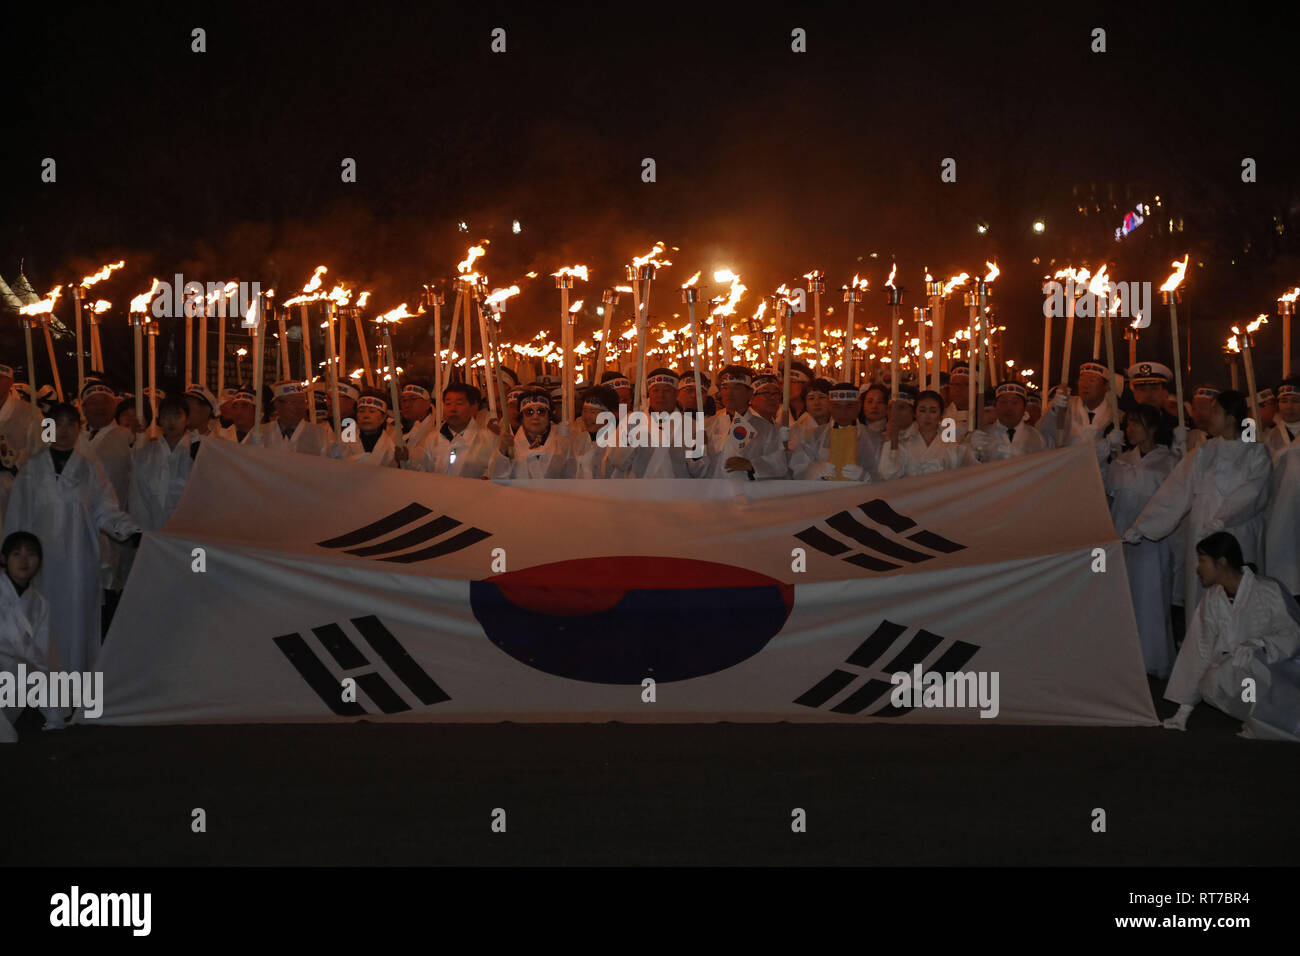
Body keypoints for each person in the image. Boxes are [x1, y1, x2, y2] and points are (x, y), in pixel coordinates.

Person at [4, 403, 140, 672]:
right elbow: (17, 518)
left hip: (80, 564)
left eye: (70, 423)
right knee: (41, 624)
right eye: (57, 423)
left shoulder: (90, 470)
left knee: (77, 626)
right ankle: (43, 693)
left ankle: (76, 690)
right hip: (40, 566)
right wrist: (12, 564)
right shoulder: (32, 470)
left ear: (78, 428)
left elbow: (107, 510)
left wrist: (132, 532)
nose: (63, 430)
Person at [1125, 390, 1272, 615]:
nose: (1208, 416)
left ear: (1231, 417)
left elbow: (1253, 494)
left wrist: (1222, 519)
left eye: (1215, 411)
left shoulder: (1255, 453)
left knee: (1239, 600)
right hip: (1202, 534)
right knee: (1203, 604)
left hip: (1238, 537)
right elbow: (1176, 490)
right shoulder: (1204, 452)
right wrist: (1144, 526)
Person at [1162, 532, 1300, 738]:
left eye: (1202, 561)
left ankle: (1280, 719)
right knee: (1214, 679)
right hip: (1246, 676)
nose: (1198, 568)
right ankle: (1256, 719)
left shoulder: (1268, 590)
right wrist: (1184, 711)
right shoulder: (1212, 599)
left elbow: (1293, 633)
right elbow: (1200, 650)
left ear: (1222, 562)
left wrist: (1260, 644)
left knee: (1249, 665)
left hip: (1280, 674)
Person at [1103, 404, 1179, 678]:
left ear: (1152, 427)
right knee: (1125, 599)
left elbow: (1174, 503)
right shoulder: (1121, 461)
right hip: (1122, 538)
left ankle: (1152, 660)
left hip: (1154, 542)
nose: (1129, 429)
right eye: (1128, 424)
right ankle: (1123, 658)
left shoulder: (1168, 462)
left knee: (1152, 599)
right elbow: (1108, 496)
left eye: (1136, 423)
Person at [0, 531, 61, 738]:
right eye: (17, 553)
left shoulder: (40, 604)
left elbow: (41, 655)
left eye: (32, 554)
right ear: (4, 559)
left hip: (17, 675)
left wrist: (53, 713)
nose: (24, 561)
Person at [607, 368, 705, 478]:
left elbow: (700, 472)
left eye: (667, 390)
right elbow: (617, 462)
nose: (661, 396)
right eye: (656, 390)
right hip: (640, 492)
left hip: (677, 492)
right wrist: (631, 442)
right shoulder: (630, 422)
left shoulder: (692, 426)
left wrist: (698, 451)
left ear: (676, 393)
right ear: (649, 393)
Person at [699, 366, 788, 480]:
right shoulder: (706, 425)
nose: (729, 393)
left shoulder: (766, 429)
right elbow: (695, 470)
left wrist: (752, 466)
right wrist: (698, 451)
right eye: (725, 388)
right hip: (713, 493)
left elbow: (779, 465)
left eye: (736, 387)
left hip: (748, 494)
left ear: (750, 393)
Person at [128, 396, 199, 532]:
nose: (171, 421)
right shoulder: (144, 455)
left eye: (177, 415)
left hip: (189, 532)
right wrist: (141, 532)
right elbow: (138, 500)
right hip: (153, 530)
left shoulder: (197, 454)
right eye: (166, 416)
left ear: (187, 420)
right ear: (159, 420)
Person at [788, 382, 882, 481]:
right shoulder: (813, 436)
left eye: (849, 406)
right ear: (830, 406)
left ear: (858, 406)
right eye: (837, 406)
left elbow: (885, 478)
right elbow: (797, 469)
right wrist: (816, 470)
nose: (843, 412)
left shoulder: (875, 440)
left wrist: (866, 477)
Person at [878, 389, 975, 478]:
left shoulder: (951, 446)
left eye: (933, 411)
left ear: (941, 415)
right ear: (915, 413)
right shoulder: (904, 441)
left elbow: (970, 473)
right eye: (922, 410)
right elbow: (888, 473)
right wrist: (891, 441)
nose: (927, 416)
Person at [1264, 379, 1300, 602]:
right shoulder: (1265, 434)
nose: (1289, 406)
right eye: (1284, 401)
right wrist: (1249, 415)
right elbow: (1245, 446)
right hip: (1278, 515)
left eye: (1295, 401)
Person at [489, 388, 576, 479]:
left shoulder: (564, 444)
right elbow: (496, 478)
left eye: (541, 412)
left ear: (549, 415)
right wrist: (503, 451)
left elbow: (574, 479)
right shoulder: (510, 445)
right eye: (529, 412)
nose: (535, 417)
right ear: (522, 417)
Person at [416, 383, 496, 477]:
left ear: (474, 407)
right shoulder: (432, 438)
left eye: (459, 404)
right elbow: (421, 471)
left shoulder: (489, 439)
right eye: (448, 404)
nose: (452, 409)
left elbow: (497, 472)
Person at [1039, 359, 1115, 449]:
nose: (1085, 385)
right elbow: (1043, 432)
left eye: (1092, 380)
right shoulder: (1066, 404)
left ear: (1106, 386)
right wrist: (1055, 410)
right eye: (1082, 379)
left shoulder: (1114, 416)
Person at [969, 382, 1048, 461]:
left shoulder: (1036, 437)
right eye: (1003, 402)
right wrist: (973, 454)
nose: (1009, 408)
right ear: (996, 406)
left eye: (1015, 402)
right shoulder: (982, 435)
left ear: (1024, 408)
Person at [245, 382, 329, 455]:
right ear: (277, 404)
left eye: (302, 402)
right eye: (293, 402)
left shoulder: (319, 435)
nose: (299, 407)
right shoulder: (260, 433)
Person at [330, 390, 401, 467]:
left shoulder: (395, 440)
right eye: (361, 411)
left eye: (372, 411)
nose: (366, 415)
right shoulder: (346, 437)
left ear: (383, 417)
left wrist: (401, 461)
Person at [788, 378, 831, 450]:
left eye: (821, 397)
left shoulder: (839, 426)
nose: (817, 403)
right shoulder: (798, 430)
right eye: (811, 398)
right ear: (805, 403)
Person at [398, 381, 437, 447]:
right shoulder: (412, 426)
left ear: (427, 403)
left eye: (413, 399)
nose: (406, 405)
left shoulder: (437, 428)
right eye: (404, 400)